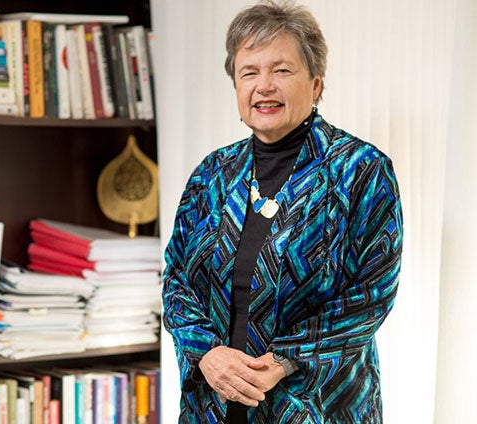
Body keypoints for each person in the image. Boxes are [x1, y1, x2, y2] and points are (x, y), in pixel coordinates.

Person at [161, 0, 403, 422]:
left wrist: (283, 361)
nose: (264, 85)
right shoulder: (212, 174)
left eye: (282, 70)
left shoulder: (360, 169)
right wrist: (207, 352)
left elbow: (372, 294)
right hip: (214, 405)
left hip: (316, 407)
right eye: (249, 72)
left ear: (315, 83)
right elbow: (177, 280)